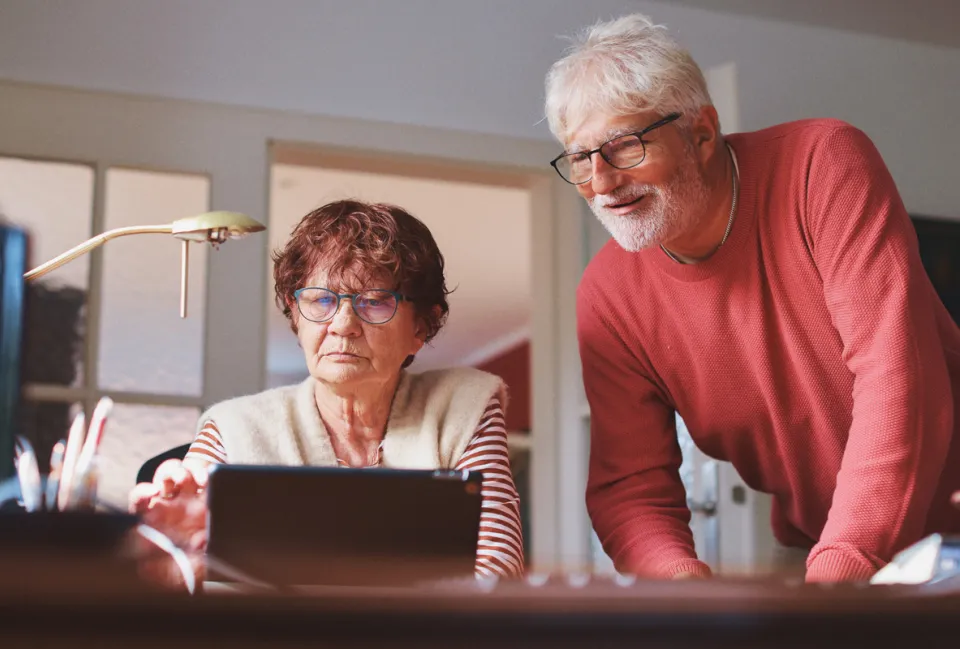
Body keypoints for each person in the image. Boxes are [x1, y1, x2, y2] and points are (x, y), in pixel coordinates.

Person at [543, 13, 960, 582]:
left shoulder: (824, 165)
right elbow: (631, 487)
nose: (603, 182)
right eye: (580, 158)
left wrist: (844, 565)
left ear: (702, 133)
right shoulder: (606, 295)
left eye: (624, 147)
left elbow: (896, 376)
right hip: (817, 541)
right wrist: (686, 595)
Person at [130, 199, 524, 584]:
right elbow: (180, 574)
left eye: (374, 302)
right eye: (320, 300)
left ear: (420, 327)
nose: (343, 324)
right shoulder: (232, 427)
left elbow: (497, 572)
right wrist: (170, 545)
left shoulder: (464, 408)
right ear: (296, 316)